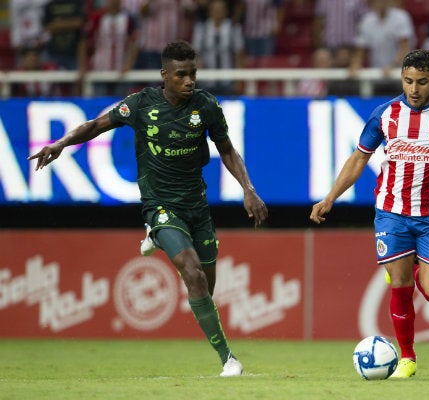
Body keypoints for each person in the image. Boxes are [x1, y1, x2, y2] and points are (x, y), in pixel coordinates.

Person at [28, 40, 268, 377]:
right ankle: (228, 359)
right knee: (192, 271)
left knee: (205, 287)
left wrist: (249, 189)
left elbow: (227, 150)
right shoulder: (141, 105)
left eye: (193, 74)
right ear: (165, 75)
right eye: (182, 75)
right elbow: (96, 125)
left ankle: (159, 240)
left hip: (197, 206)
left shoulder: (207, 107)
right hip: (160, 204)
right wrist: (60, 144)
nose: (190, 81)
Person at [310, 49, 429, 378]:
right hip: (390, 213)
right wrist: (330, 197)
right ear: (402, 79)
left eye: (422, 82)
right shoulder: (385, 115)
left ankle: (410, 265)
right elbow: (358, 159)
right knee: (398, 284)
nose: (414, 88)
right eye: (408, 81)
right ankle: (407, 358)